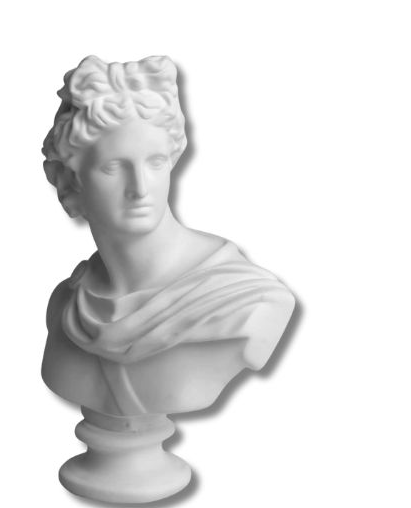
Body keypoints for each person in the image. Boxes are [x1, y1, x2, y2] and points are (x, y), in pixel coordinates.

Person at [41, 55, 295, 417]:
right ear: (69, 180)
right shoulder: (68, 306)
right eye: (113, 166)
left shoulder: (245, 303)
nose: (140, 188)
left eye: (156, 162)